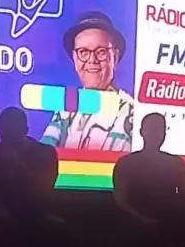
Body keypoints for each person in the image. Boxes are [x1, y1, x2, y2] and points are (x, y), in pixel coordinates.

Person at [42, 11, 134, 151]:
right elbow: (43, 154)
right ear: (75, 59)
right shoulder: (66, 108)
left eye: (101, 52)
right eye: (83, 52)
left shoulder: (131, 113)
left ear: (115, 57)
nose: (92, 60)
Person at [0, 107, 58, 221]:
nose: (9, 143)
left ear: (26, 131)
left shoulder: (47, 153)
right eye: (6, 136)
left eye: (14, 137)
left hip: (36, 217)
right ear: (0, 133)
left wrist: (18, 165)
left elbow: (45, 188)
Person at [113, 112, 185, 224]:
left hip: (169, 225)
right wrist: (141, 220)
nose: (157, 133)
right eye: (152, 128)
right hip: (134, 226)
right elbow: (120, 199)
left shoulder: (177, 164)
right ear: (141, 132)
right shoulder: (125, 163)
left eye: (160, 129)